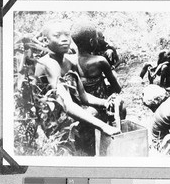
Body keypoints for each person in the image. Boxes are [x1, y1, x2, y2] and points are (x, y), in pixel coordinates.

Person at [34, 19, 121, 155]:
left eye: (67, 35)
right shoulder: (48, 63)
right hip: (51, 120)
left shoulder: (69, 62)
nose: (64, 39)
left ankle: (91, 153)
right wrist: (103, 126)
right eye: (57, 36)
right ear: (46, 41)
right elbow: (66, 104)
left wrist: (106, 102)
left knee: (101, 111)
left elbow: (83, 96)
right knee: (94, 118)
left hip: (65, 113)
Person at [71, 21, 122, 122]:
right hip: (100, 104)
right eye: (96, 39)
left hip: (80, 106)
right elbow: (116, 88)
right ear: (91, 42)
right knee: (122, 107)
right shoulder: (100, 61)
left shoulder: (70, 61)